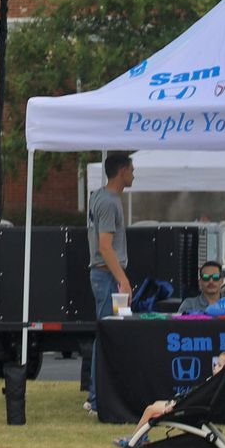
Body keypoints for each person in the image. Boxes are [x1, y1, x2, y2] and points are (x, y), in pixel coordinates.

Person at [85, 150, 134, 415]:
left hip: (106, 275)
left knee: (107, 335)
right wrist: (123, 281)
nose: (134, 174)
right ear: (122, 171)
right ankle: (95, 398)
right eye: (132, 169)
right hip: (106, 277)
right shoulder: (108, 202)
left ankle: (98, 394)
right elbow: (105, 247)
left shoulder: (102, 198)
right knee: (106, 336)